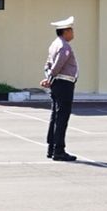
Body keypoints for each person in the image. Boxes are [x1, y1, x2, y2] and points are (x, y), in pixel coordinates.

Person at [40, 16, 78, 162]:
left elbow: (48, 65)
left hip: (57, 83)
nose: (73, 33)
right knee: (62, 117)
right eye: (71, 30)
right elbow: (58, 65)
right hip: (64, 84)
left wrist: (48, 78)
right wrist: (50, 78)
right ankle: (59, 150)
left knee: (55, 116)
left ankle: (51, 148)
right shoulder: (64, 47)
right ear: (66, 31)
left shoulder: (54, 44)